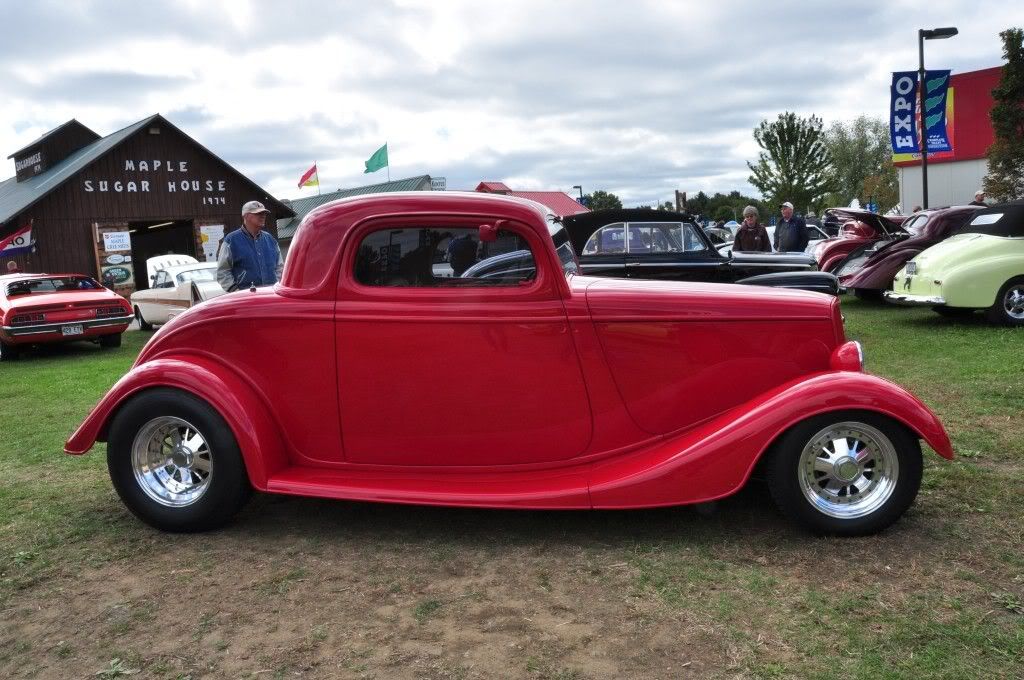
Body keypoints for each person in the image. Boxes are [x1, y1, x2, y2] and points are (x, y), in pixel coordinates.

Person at [217, 200, 284, 292]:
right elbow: (222, 272)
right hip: (245, 300)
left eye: (264, 213)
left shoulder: (270, 239)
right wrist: (236, 292)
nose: (263, 216)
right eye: (258, 213)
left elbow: (280, 267)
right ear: (246, 216)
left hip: (271, 296)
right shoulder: (231, 240)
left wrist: (276, 286)